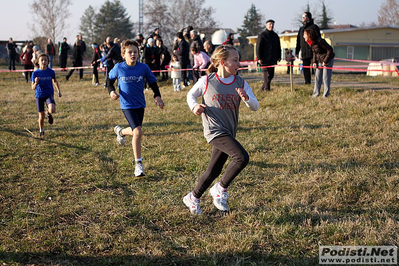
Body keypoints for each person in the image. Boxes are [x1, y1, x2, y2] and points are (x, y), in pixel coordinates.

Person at [183, 45, 259, 215]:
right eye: (235, 60)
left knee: (214, 170)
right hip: (214, 130)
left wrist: (246, 98)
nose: (239, 64)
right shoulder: (207, 80)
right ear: (223, 62)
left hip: (229, 131)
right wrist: (195, 107)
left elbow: (255, 106)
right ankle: (220, 188)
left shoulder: (240, 82)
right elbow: (190, 95)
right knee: (241, 157)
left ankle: (193, 197)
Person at [108, 39, 165, 177]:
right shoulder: (119, 68)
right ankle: (138, 164)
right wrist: (111, 91)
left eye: (135, 52)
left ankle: (121, 132)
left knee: (135, 132)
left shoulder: (143, 68)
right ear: (123, 54)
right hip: (127, 105)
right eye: (130, 52)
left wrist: (157, 96)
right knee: (138, 132)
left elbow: (153, 82)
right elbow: (109, 80)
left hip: (140, 104)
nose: (133, 54)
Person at [31, 53, 62, 137]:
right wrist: (36, 83)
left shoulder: (51, 72)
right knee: (41, 116)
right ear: (38, 62)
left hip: (48, 94)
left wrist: (58, 90)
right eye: (42, 60)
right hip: (39, 95)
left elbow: (55, 81)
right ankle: (41, 130)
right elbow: (33, 87)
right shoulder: (35, 73)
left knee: (52, 109)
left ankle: (48, 113)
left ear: (48, 62)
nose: (44, 62)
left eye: (45, 60)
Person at [304, 29, 335, 98]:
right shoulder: (311, 43)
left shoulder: (320, 41)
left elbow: (330, 50)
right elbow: (315, 52)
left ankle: (326, 95)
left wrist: (326, 61)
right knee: (317, 77)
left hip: (328, 59)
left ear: (309, 35)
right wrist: (314, 62)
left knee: (325, 77)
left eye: (304, 35)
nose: (303, 36)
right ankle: (315, 94)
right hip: (319, 60)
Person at [295, 12, 321, 85]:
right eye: (302, 16)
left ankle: (318, 83)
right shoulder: (301, 29)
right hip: (304, 52)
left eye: (305, 16)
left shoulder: (314, 27)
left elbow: (319, 39)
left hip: (313, 52)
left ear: (309, 17)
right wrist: (297, 51)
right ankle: (307, 82)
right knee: (306, 69)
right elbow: (298, 41)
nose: (303, 18)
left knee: (315, 67)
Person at [256, 19, 281, 91]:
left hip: (273, 58)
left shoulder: (275, 36)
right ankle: (267, 88)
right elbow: (258, 47)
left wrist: (279, 56)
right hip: (264, 59)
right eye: (270, 24)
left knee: (271, 75)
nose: (271, 26)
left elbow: (278, 47)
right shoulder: (262, 35)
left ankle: (263, 87)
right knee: (267, 75)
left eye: (272, 24)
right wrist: (259, 58)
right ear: (266, 25)